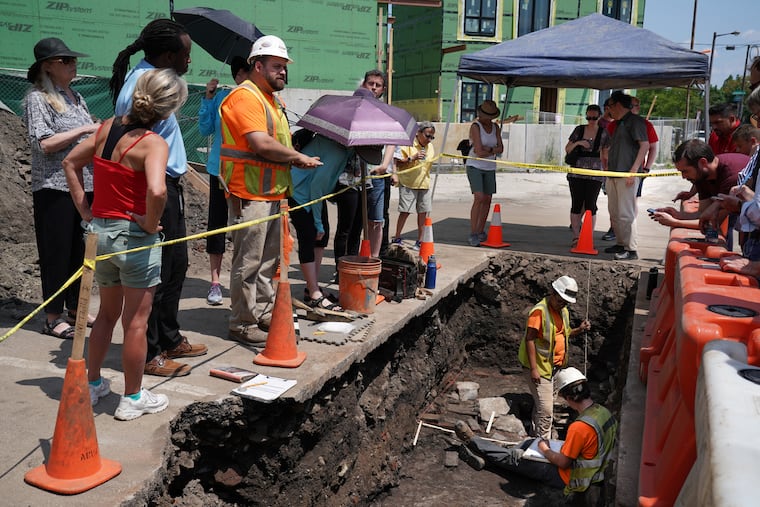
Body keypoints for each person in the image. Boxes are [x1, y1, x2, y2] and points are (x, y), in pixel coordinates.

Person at [63, 68, 188, 420]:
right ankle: (132, 398)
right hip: (132, 239)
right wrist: (149, 222)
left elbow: (70, 161)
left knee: (106, 314)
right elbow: (158, 189)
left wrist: (86, 210)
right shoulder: (154, 143)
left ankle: (93, 382)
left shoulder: (104, 129)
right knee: (136, 322)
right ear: (168, 110)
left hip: (99, 235)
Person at [111, 19, 207, 377]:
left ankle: (168, 336)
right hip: (154, 185)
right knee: (157, 271)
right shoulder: (140, 86)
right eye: (186, 54)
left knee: (176, 265)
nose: (189, 62)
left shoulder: (156, 80)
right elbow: (134, 141)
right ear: (168, 55)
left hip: (169, 184)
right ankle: (150, 352)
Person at [219, 35, 321, 344]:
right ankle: (242, 321)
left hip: (271, 193)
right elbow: (260, 144)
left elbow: (276, 143)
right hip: (249, 195)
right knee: (248, 263)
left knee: (267, 263)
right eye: (277, 66)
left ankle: (261, 312)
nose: (283, 72)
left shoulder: (270, 100)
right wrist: (298, 157)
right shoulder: (245, 97)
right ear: (258, 65)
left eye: (285, 67)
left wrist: (293, 155)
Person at [22, 37, 99, 340]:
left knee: (80, 251)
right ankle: (52, 317)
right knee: (56, 252)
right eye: (65, 61)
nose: (72, 65)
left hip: (85, 184)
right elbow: (43, 144)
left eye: (72, 60)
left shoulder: (76, 96)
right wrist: (85, 129)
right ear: (47, 67)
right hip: (54, 187)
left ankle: (74, 308)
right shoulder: (37, 99)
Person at [454, 367, 617, 506]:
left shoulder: (579, 427)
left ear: (567, 397)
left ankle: (474, 442)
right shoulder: (604, 413)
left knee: (517, 457)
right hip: (593, 473)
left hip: (572, 478)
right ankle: (489, 456)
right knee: (530, 444)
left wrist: (545, 450)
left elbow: (563, 462)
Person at [291, 132, 381, 308]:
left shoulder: (345, 150)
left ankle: (312, 288)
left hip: (312, 193)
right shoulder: (338, 152)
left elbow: (325, 183)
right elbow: (317, 185)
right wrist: (317, 222)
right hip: (300, 193)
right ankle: (314, 292)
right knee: (310, 236)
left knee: (321, 239)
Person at [198, 56, 251, 306]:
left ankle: (242, 281)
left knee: (245, 225)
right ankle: (215, 283)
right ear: (240, 74)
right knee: (217, 224)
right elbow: (205, 129)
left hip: (247, 173)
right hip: (220, 170)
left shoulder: (259, 100)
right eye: (250, 72)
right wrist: (208, 99)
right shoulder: (222, 97)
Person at [518, 276, 591, 439]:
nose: (562, 304)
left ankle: (535, 434)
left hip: (554, 367)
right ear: (552, 293)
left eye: (565, 302)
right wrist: (534, 369)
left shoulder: (562, 311)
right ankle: (543, 444)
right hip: (540, 368)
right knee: (546, 410)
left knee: (544, 403)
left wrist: (579, 329)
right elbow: (529, 338)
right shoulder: (539, 312)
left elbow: (563, 334)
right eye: (560, 301)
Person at [650, 140, 745, 238]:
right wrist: (678, 215)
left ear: (703, 162)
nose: (683, 177)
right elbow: (703, 213)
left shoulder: (731, 177)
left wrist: (675, 222)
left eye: (685, 171)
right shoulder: (702, 175)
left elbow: (712, 222)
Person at [603, 91, 650, 261]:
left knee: (626, 213)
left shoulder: (635, 122)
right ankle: (621, 243)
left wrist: (634, 170)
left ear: (617, 105)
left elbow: (645, 146)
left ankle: (631, 248)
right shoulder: (618, 123)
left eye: (609, 107)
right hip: (614, 173)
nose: (608, 111)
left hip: (626, 174)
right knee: (615, 212)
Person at [360, 71, 396, 257]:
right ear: (363, 84)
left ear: (383, 89)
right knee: (354, 221)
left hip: (377, 173)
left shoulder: (385, 112)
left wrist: (385, 166)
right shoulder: (355, 107)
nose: (373, 87)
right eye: (370, 83)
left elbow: (392, 140)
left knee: (377, 219)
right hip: (354, 172)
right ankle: (346, 263)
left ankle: (374, 260)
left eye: (378, 85)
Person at [564, 105, 609, 247]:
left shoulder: (604, 133)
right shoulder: (579, 130)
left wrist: (606, 173)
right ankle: (576, 236)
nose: (591, 120)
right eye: (588, 117)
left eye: (594, 118)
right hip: (577, 173)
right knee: (576, 204)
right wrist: (578, 143)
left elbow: (605, 155)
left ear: (599, 117)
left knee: (591, 205)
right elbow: (568, 148)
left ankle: (588, 236)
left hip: (595, 174)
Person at [392, 121, 436, 249]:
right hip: (408, 183)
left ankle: (420, 240)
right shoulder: (408, 144)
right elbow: (398, 162)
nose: (429, 139)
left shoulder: (430, 147)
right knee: (405, 211)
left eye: (432, 137)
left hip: (424, 183)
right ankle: (397, 236)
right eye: (427, 136)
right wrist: (412, 158)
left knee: (423, 212)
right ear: (418, 133)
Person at [466, 100, 504, 247]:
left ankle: (481, 230)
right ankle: (473, 232)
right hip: (475, 165)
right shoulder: (476, 126)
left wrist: (488, 150)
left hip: (490, 166)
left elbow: (500, 148)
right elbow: (478, 151)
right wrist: (491, 150)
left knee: (487, 198)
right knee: (479, 197)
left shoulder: (495, 127)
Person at [630, 97, 659, 198]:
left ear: (637, 108)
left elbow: (653, 147)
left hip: (637, 171)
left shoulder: (646, 125)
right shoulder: (615, 124)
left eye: (631, 106)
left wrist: (647, 168)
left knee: (633, 202)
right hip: (617, 170)